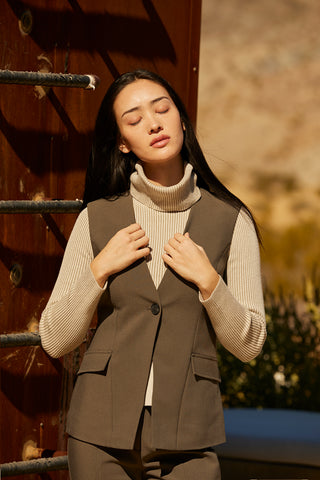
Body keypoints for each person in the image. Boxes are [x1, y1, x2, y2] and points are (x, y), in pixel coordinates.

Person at [39, 69, 266, 480]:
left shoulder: (232, 220)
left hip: (191, 437)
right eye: (134, 118)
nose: (154, 122)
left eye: (162, 109)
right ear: (123, 143)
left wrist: (210, 284)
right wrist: (99, 269)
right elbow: (55, 339)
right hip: (99, 434)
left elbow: (249, 345)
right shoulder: (96, 217)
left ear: (182, 119)